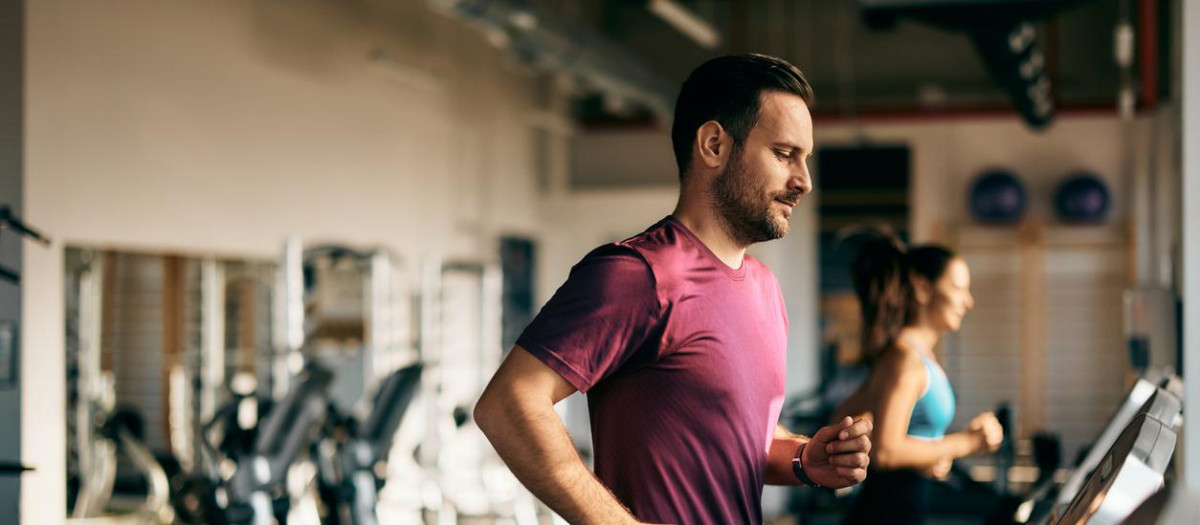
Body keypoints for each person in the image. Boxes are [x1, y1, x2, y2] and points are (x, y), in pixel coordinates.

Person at [473, 54, 872, 524]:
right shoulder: (638, 274)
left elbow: (739, 437)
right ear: (714, 145)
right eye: (785, 155)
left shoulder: (765, 288)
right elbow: (510, 402)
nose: (803, 181)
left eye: (806, 160)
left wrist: (804, 460)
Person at [834, 233, 1004, 524]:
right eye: (959, 288)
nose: (969, 301)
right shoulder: (904, 359)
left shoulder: (913, 355)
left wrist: (928, 457)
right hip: (882, 514)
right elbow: (887, 452)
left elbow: (847, 416)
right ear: (924, 288)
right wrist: (969, 442)